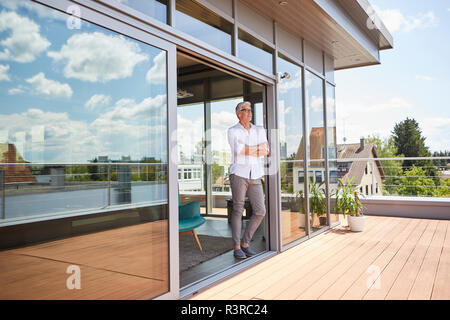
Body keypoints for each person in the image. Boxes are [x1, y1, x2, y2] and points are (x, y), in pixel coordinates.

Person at [227, 101, 269, 259]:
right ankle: (237, 247)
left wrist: (250, 149)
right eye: (246, 110)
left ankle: (246, 243)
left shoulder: (259, 129)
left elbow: (266, 150)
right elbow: (239, 151)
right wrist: (255, 149)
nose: (250, 112)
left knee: (260, 210)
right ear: (239, 114)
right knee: (238, 209)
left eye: (250, 109)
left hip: (255, 174)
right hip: (239, 173)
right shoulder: (232, 131)